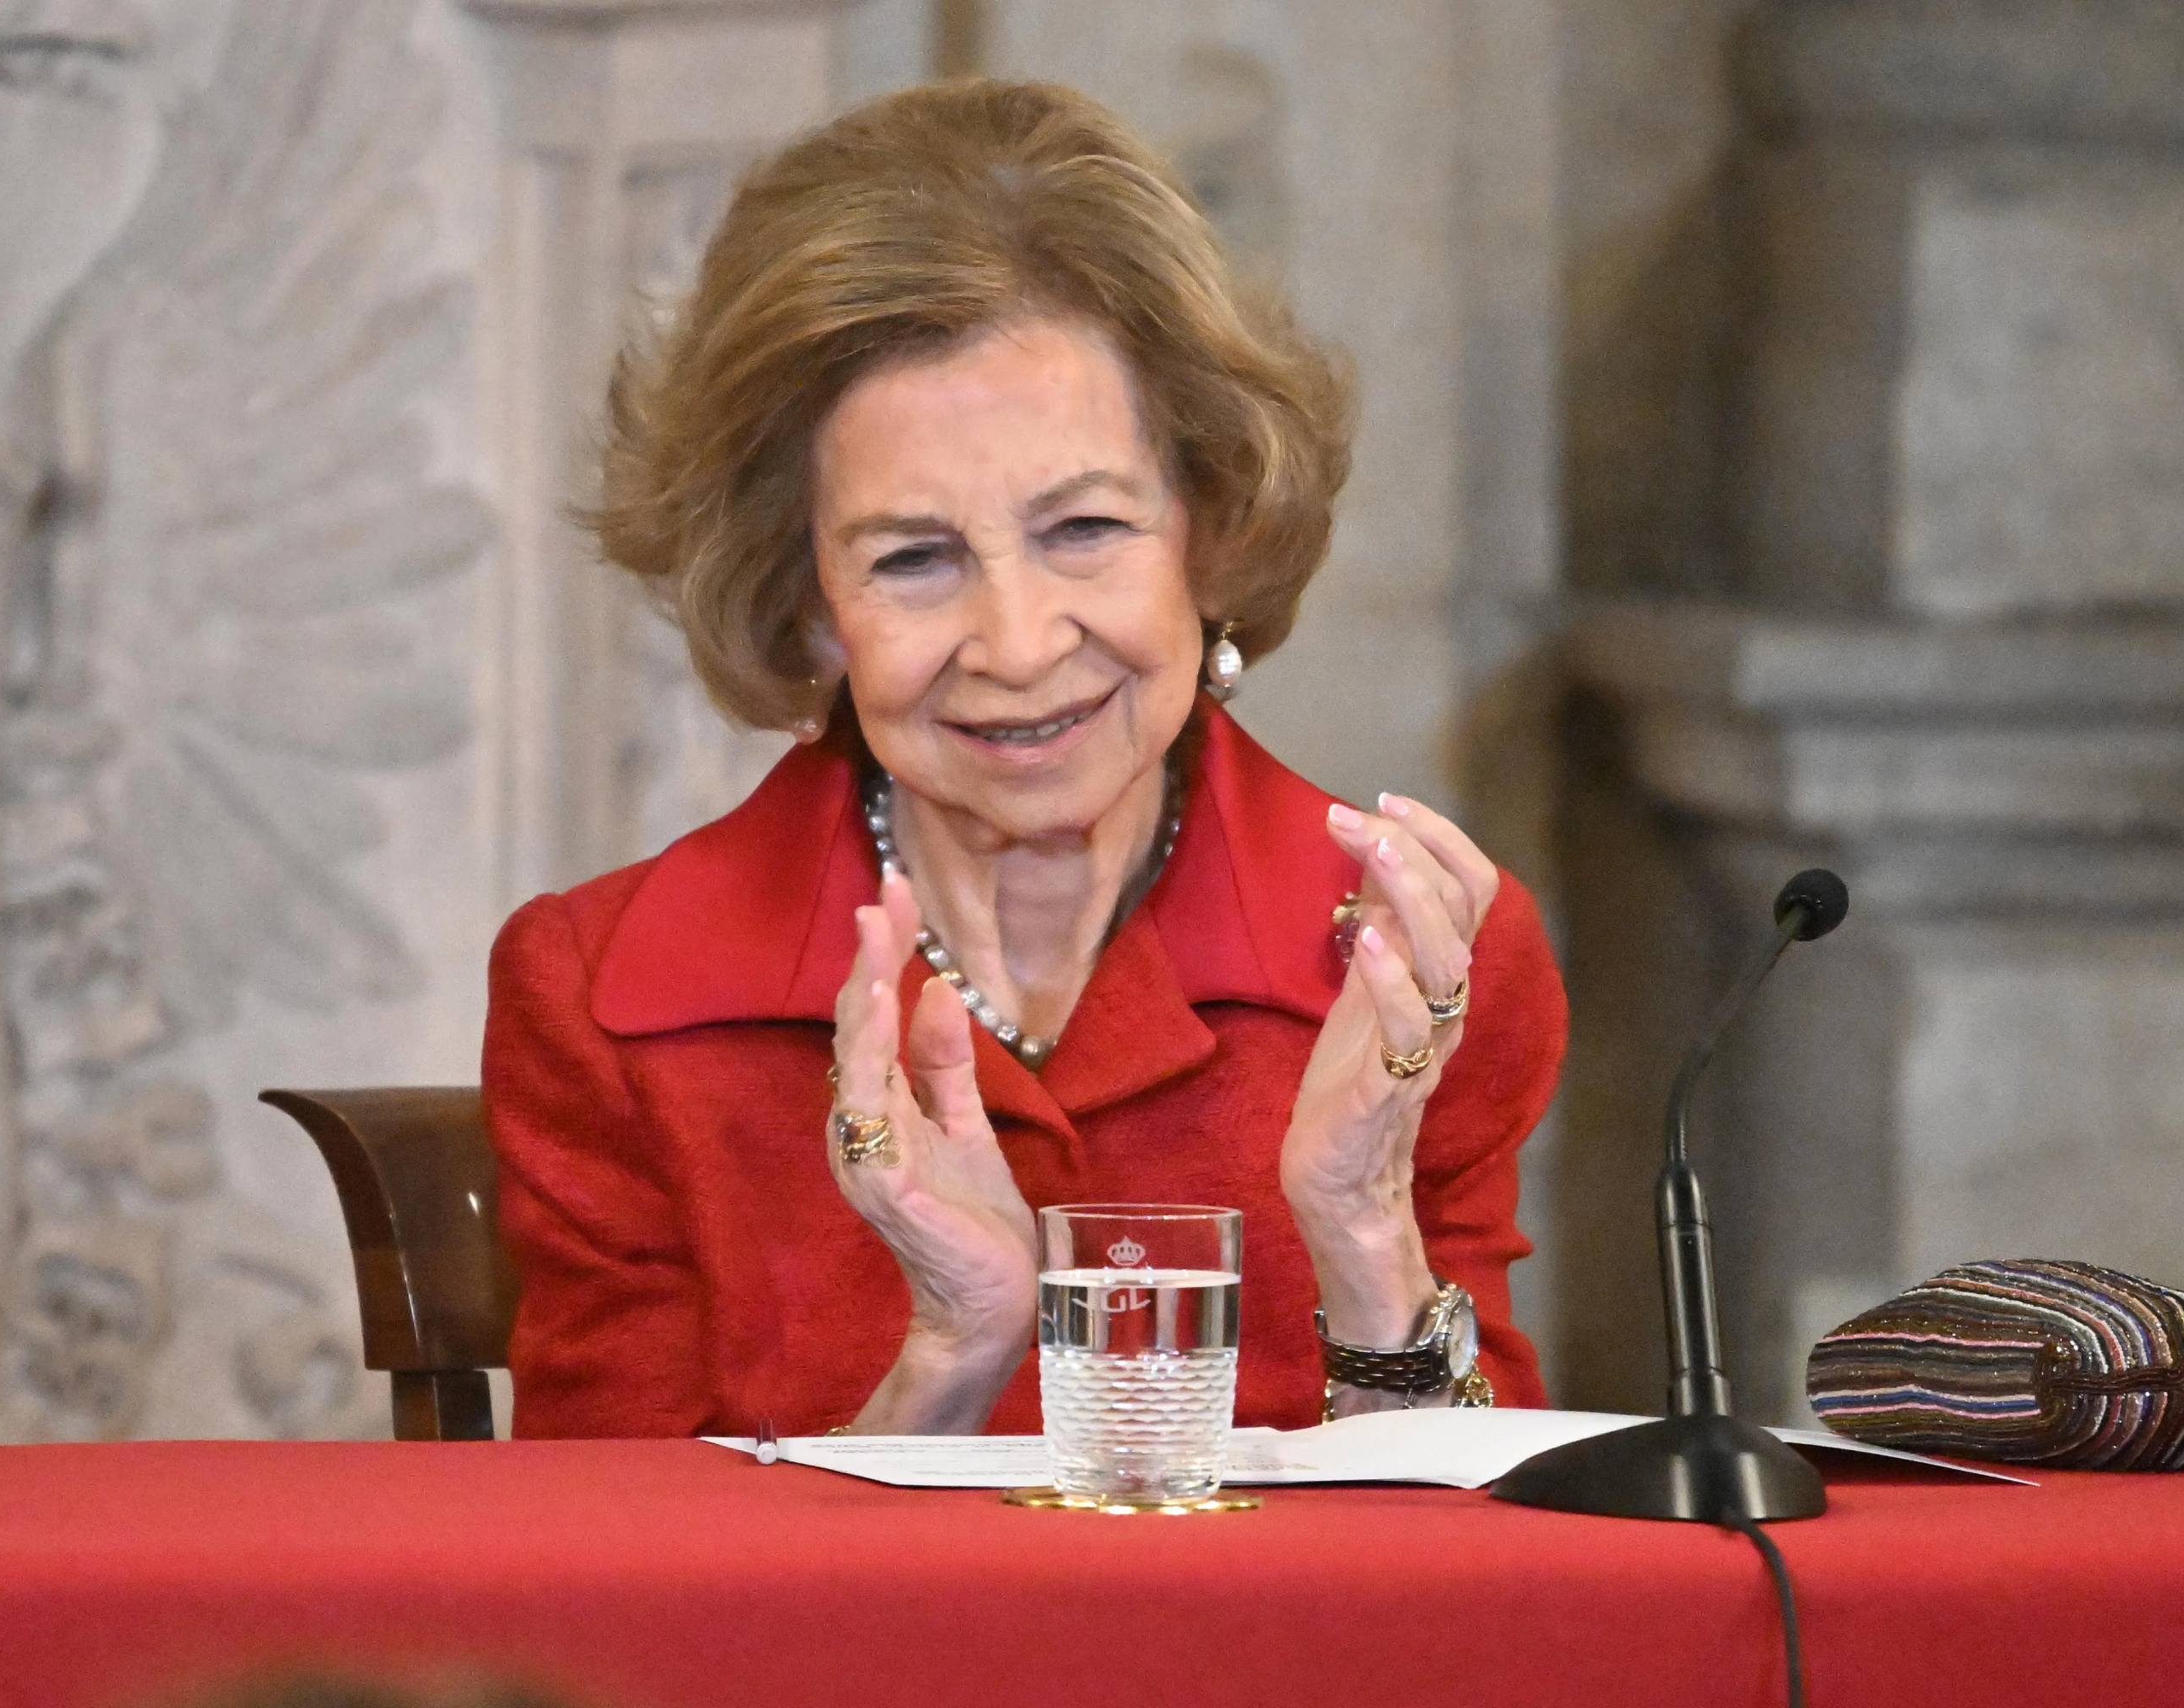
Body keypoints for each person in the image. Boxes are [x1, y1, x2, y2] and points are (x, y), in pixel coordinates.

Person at [482, 79, 1567, 1439]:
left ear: (1212, 528)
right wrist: (949, 1356)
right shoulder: (610, 1003)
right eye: (914, 559)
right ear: (806, 600)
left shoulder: (1418, 960)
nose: (1013, 641)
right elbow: (621, 1622)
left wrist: (1364, 1241)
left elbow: (1483, 1614)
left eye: (1085, 530)